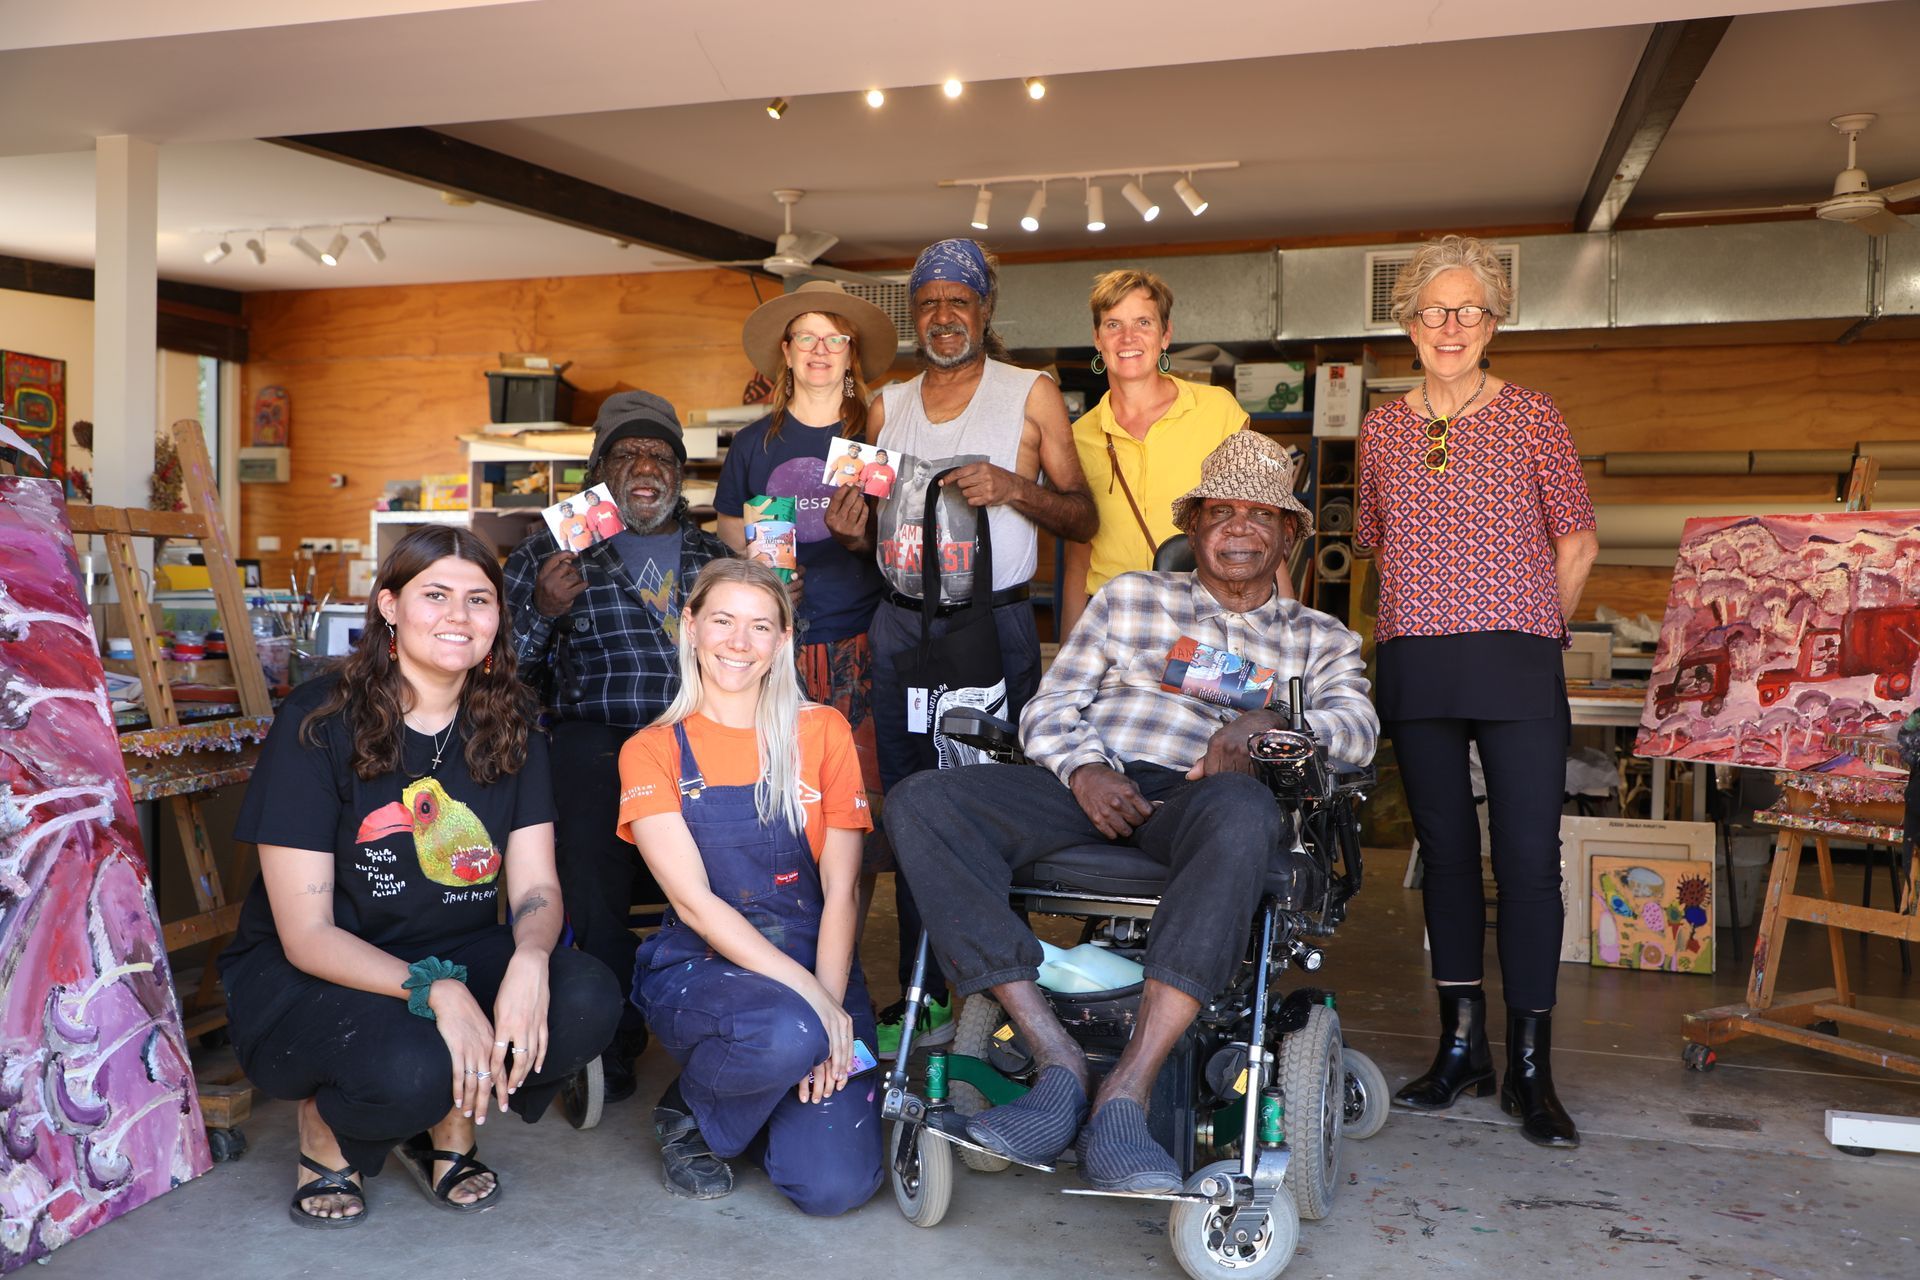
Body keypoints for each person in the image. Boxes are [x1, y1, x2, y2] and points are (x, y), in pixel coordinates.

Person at [885, 431, 1376, 1190]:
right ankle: (1056, 1056)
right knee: (922, 802)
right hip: (1096, 785)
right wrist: (1082, 768)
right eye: (1221, 512)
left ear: (1288, 535)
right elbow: (1050, 707)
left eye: (1260, 515)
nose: (1239, 527)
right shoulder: (1131, 600)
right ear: (1195, 528)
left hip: (1210, 802)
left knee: (1245, 810)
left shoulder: (1321, 640)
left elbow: (1358, 735)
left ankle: (1127, 1090)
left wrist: (1272, 720)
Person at [219, 525, 620, 1228]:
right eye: (435, 595)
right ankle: (327, 1125)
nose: (459, 617)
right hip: (317, 970)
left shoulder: (513, 722)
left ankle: (451, 1121)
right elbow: (307, 934)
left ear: (500, 617)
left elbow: (535, 887)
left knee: (583, 997)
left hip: (458, 946)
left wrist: (530, 955)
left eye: (479, 600)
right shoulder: (318, 723)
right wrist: (437, 992)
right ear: (389, 607)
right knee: (410, 1069)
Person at [1354, 234, 1599, 1148]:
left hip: (1517, 657)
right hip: (1418, 659)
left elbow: (1576, 543)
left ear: (1494, 323)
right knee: (1446, 857)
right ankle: (1464, 1049)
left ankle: (1534, 1068)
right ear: (1407, 323)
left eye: (1469, 311)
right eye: (1433, 310)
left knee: (1529, 862)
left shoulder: (1533, 414)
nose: (1450, 327)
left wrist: (1535, 626)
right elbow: (1378, 545)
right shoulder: (1381, 426)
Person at [825, 237, 1098, 1056]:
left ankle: (1001, 993)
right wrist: (847, 533)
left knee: (990, 806)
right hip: (903, 626)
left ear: (985, 310)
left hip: (995, 626)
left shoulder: (1032, 393)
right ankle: (925, 996)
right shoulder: (886, 405)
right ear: (919, 316)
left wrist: (1017, 488)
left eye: (960, 301)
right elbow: (867, 526)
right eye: (931, 303)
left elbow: (1083, 516)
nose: (945, 316)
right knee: (910, 806)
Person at [617, 559, 881, 1214]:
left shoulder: (823, 732)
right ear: (691, 627)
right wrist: (818, 1015)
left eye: (760, 626)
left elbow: (842, 891)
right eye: (723, 621)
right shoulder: (652, 750)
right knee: (788, 1034)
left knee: (833, 1189)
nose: (739, 643)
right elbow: (694, 905)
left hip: (818, 961)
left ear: (783, 640)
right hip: (705, 969)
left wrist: (831, 1001)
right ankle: (693, 1113)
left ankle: (762, 1099)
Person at [503, 391, 731, 1102]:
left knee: (750, 839)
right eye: (627, 453)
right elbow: (506, 678)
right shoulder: (552, 547)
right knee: (586, 840)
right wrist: (543, 613)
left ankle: (723, 1017)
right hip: (595, 735)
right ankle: (612, 1033)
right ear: (598, 469)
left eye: (660, 455)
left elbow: (754, 661)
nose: (644, 466)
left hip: (695, 736)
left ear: (679, 475)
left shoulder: (715, 556)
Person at [718, 279, 895, 797]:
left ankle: (848, 884)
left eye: (834, 338)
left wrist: (862, 538)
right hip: (771, 647)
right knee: (776, 790)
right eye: (807, 337)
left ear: (850, 354)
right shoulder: (754, 443)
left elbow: (895, 536)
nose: (820, 350)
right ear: (786, 351)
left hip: (862, 641)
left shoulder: (875, 438)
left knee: (855, 797)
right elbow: (733, 531)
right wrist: (759, 580)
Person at [1059, 268, 1290, 639]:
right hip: (1114, 624)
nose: (1128, 337)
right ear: (1097, 338)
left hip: (1208, 619)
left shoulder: (1217, 411)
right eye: (1113, 324)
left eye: (1143, 322)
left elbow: (1262, 528)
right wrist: (1067, 660)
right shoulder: (1078, 436)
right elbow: (1077, 560)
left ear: (1165, 335)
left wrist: (1283, 634)